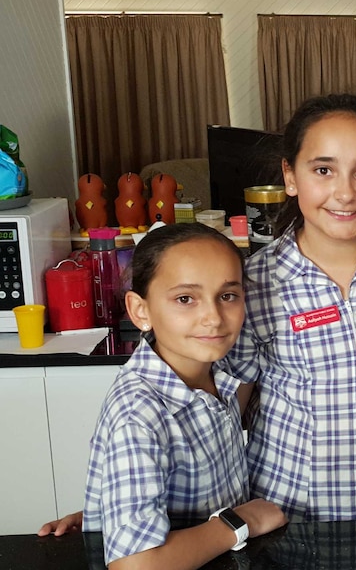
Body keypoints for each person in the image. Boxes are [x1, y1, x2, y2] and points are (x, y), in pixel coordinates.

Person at [224, 93, 356, 521]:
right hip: (286, 515)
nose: (344, 193)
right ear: (290, 176)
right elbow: (227, 415)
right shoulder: (255, 284)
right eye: (323, 170)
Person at [48, 223, 287, 568]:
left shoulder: (216, 376)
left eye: (228, 296)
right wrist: (241, 522)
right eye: (185, 299)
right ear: (140, 311)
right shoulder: (139, 413)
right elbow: (136, 564)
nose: (213, 318)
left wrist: (108, 513)